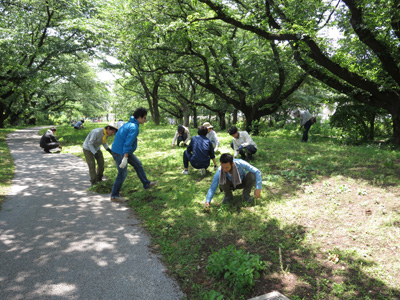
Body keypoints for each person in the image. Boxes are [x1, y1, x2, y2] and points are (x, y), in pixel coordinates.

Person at [110, 108, 158, 203]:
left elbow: (126, 137)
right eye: (144, 118)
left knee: (138, 164)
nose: (145, 120)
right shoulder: (134, 127)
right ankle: (114, 196)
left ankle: (146, 184)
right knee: (122, 173)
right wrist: (125, 157)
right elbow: (127, 143)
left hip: (122, 150)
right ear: (139, 117)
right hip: (120, 152)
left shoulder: (129, 124)